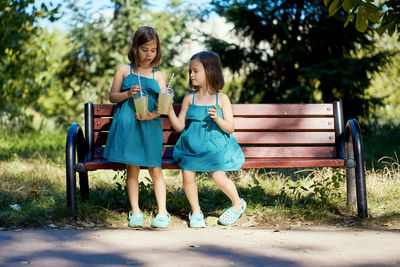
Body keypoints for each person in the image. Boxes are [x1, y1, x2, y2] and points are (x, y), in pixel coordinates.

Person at [168, 51, 246, 227]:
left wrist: (217, 118)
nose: (191, 75)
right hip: (192, 150)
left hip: (216, 149)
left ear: (210, 71)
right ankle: (196, 212)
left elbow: (230, 127)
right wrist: (169, 110)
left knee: (218, 176)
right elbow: (180, 127)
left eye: (196, 71)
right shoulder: (190, 99)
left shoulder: (222, 98)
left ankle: (237, 204)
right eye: (190, 71)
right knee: (187, 174)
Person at [103, 26, 170, 228]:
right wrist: (128, 94)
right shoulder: (124, 70)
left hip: (150, 126)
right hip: (129, 126)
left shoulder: (158, 75)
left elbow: (165, 104)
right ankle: (135, 212)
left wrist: (153, 114)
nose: (149, 54)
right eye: (145, 49)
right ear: (135, 47)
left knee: (155, 170)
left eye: (154, 50)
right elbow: (112, 96)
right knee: (132, 170)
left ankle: (163, 212)